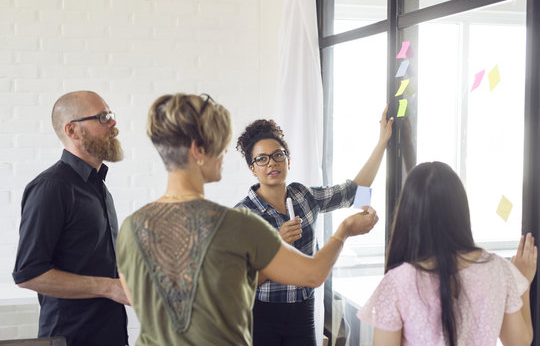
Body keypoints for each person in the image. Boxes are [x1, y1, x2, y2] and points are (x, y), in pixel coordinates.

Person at [115, 93, 380, 346]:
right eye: (220, 143)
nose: (224, 153)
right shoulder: (239, 224)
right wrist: (344, 230)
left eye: (277, 156)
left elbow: (137, 298)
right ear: (198, 150)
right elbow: (313, 275)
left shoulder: (131, 227)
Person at [234, 107, 393, 345]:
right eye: (261, 159)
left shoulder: (304, 196)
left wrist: (382, 143)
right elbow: (241, 283)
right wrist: (277, 245)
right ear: (252, 168)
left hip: (303, 311)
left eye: (278, 155)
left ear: (288, 159)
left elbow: (355, 192)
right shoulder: (243, 216)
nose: (271, 163)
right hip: (261, 315)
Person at [357, 161, 537, 346]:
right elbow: (520, 342)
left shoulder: (397, 283)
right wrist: (522, 280)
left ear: (407, 216)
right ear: (461, 211)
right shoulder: (499, 270)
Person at [12, 91, 129, 346]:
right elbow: (28, 274)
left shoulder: (99, 188)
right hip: (71, 339)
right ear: (72, 130)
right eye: (103, 117)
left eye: (111, 116)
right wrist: (110, 287)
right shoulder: (50, 187)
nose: (113, 123)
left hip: (110, 335)